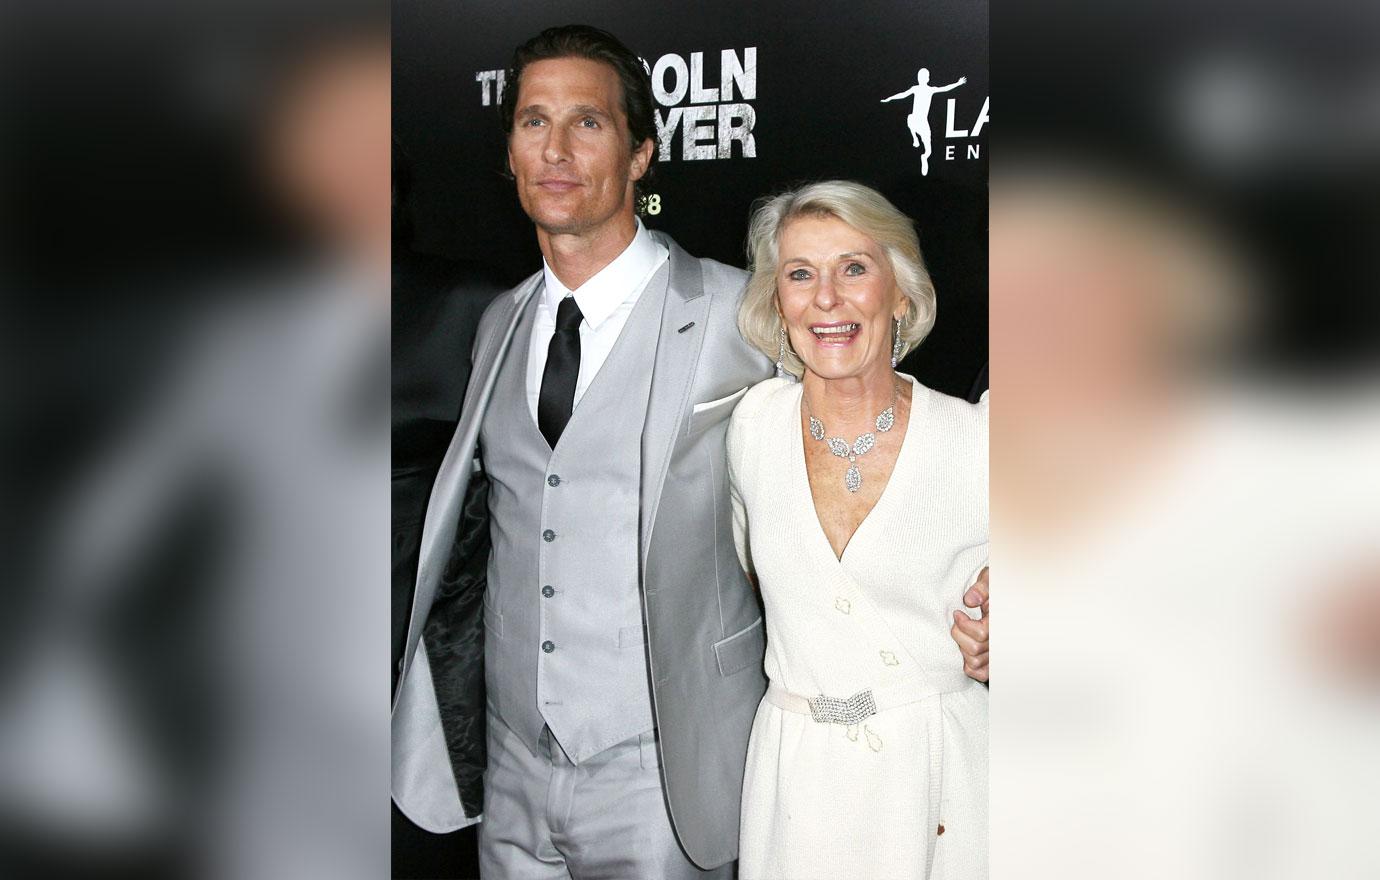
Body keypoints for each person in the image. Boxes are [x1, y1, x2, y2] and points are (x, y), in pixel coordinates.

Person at [391, 25, 989, 879]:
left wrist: (996, 572)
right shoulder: (498, 324)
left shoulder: (735, 315)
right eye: (533, 122)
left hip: (664, 782)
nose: (556, 149)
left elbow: (876, 433)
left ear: (641, 154)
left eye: (588, 124)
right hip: (513, 778)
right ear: (509, 148)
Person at [728, 181, 989, 879]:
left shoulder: (979, 440)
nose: (827, 300)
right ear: (777, 301)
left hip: (944, 790)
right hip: (797, 789)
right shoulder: (750, 428)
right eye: (800, 274)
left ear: (900, 293)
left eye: (854, 269)